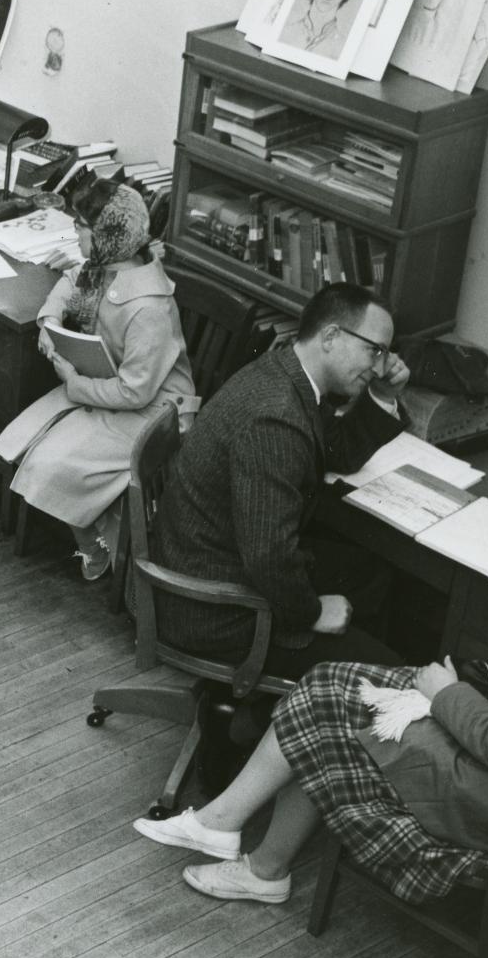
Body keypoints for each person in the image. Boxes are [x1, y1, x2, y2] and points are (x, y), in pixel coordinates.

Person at [134, 445, 488, 906]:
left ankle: (243, 849)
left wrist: (447, 695)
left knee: (321, 696)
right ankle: (241, 847)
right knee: (326, 688)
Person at [152, 282, 411, 678]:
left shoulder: (286, 373)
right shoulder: (276, 418)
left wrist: (381, 394)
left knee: (374, 575)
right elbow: (268, 557)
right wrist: (313, 612)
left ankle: (314, 691)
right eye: (373, 350)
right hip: (215, 610)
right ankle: (292, 707)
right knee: (391, 671)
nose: (379, 365)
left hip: (211, 560)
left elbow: (335, 451)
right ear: (330, 336)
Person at [0, 176, 196, 579]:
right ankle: (96, 529)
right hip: (108, 385)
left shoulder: (150, 308)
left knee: (50, 462)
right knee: (27, 440)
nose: (75, 231)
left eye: (81, 226)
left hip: (156, 411)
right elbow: (71, 280)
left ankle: (99, 544)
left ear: (107, 236)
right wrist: (50, 321)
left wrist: (74, 383)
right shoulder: (105, 266)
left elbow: (136, 390)